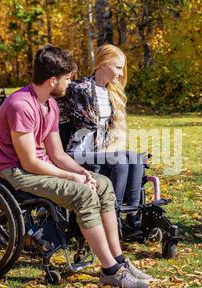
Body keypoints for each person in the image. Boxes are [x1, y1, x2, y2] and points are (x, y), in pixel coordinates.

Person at [0, 44, 152, 288]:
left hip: (37, 166)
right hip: (14, 171)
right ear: (52, 80)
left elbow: (57, 153)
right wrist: (71, 178)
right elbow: (29, 162)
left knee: (103, 184)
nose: (70, 84)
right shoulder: (20, 105)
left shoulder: (50, 104)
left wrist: (82, 172)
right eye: (67, 79)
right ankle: (110, 271)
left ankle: (119, 260)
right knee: (83, 193)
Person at [56, 44, 143, 230]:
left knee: (135, 158)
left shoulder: (111, 92)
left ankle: (133, 215)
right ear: (103, 65)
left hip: (99, 151)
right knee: (120, 161)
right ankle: (113, 214)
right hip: (78, 152)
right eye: (118, 67)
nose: (121, 73)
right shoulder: (79, 89)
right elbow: (87, 121)